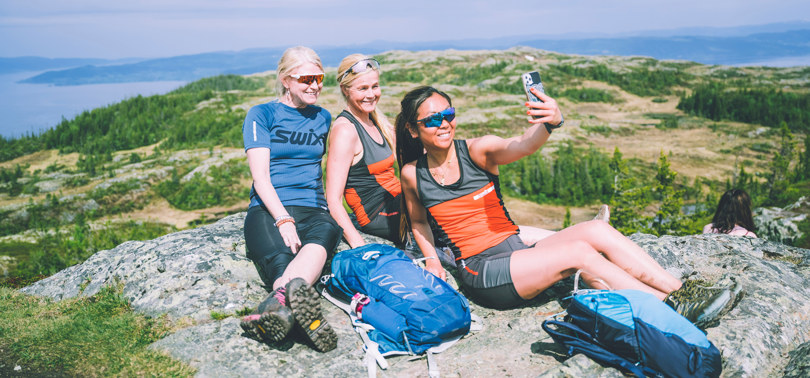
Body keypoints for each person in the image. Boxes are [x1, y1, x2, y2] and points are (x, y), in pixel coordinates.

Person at [395, 85, 736, 325]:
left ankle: (682, 290)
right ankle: (673, 307)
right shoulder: (412, 175)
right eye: (432, 119)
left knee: (595, 230)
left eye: (449, 114)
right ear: (413, 129)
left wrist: (550, 122)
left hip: (514, 249)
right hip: (482, 271)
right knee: (579, 254)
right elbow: (420, 222)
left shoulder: (478, 151)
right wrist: (432, 261)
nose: (445, 124)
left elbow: (523, 145)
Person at [238, 46, 340, 352]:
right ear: (286, 80)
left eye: (319, 78)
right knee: (281, 263)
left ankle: (279, 308)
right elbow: (261, 178)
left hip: (313, 209)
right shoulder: (262, 114)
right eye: (305, 79)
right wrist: (283, 219)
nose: (314, 86)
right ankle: (296, 315)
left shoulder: (323, 117)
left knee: (326, 232)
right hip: (268, 209)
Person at [325, 54, 404, 248]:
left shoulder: (376, 120)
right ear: (345, 90)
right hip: (377, 215)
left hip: (397, 201)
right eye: (362, 88)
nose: (371, 94)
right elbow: (333, 200)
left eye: (374, 86)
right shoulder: (346, 131)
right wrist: (358, 244)